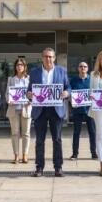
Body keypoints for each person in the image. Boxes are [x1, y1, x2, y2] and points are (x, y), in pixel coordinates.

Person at [27, 47, 70, 177]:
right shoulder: (34, 72)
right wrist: (28, 94)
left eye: (50, 57)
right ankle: (39, 167)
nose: (48, 59)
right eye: (46, 56)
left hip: (56, 109)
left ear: (54, 58)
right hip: (40, 110)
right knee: (39, 140)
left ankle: (58, 167)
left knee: (57, 139)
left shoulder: (62, 71)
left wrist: (67, 92)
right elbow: (29, 90)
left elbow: (68, 86)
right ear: (42, 58)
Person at [6, 57, 32, 164]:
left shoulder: (29, 79)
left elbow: (33, 93)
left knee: (26, 133)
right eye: (17, 65)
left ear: (25, 67)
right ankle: (16, 155)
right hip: (14, 109)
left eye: (21, 65)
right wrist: (9, 100)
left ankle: (25, 155)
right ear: (15, 67)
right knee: (15, 133)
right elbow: (7, 93)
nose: (19, 67)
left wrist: (30, 100)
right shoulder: (11, 79)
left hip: (26, 108)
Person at [69, 61, 97, 160]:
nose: (83, 68)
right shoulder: (73, 80)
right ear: (78, 68)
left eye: (85, 66)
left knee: (92, 132)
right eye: (81, 66)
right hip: (77, 110)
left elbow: (97, 93)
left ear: (87, 68)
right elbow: (69, 92)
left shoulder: (92, 80)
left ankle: (94, 153)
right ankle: (75, 154)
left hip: (90, 110)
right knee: (76, 133)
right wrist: (70, 98)